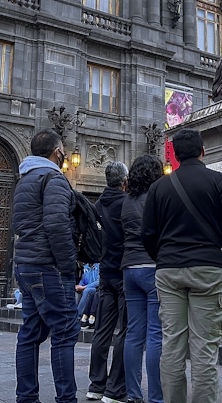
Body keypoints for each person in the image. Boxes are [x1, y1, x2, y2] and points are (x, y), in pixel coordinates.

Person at [141, 128, 222, 403]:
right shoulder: (219, 181)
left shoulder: (158, 187)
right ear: (203, 151)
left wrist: (163, 257)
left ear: (174, 155)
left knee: (172, 346)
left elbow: (147, 234)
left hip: (169, 270)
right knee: (204, 352)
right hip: (209, 269)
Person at [12, 128, 79, 403]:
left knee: (30, 332)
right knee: (64, 333)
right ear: (56, 152)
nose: (65, 154)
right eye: (63, 149)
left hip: (26, 266)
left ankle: (26, 397)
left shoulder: (25, 180)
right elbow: (56, 225)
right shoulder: (53, 178)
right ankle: (66, 399)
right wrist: (69, 265)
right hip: (48, 267)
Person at [121, 155, 164, 403]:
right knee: (155, 334)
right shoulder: (156, 199)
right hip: (152, 267)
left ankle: (134, 395)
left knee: (134, 333)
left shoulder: (126, 201)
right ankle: (156, 397)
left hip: (129, 268)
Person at [87, 162, 129, 403]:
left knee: (102, 329)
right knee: (124, 330)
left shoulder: (96, 206)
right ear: (124, 181)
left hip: (105, 274)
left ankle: (96, 384)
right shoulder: (128, 204)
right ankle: (115, 387)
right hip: (124, 273)